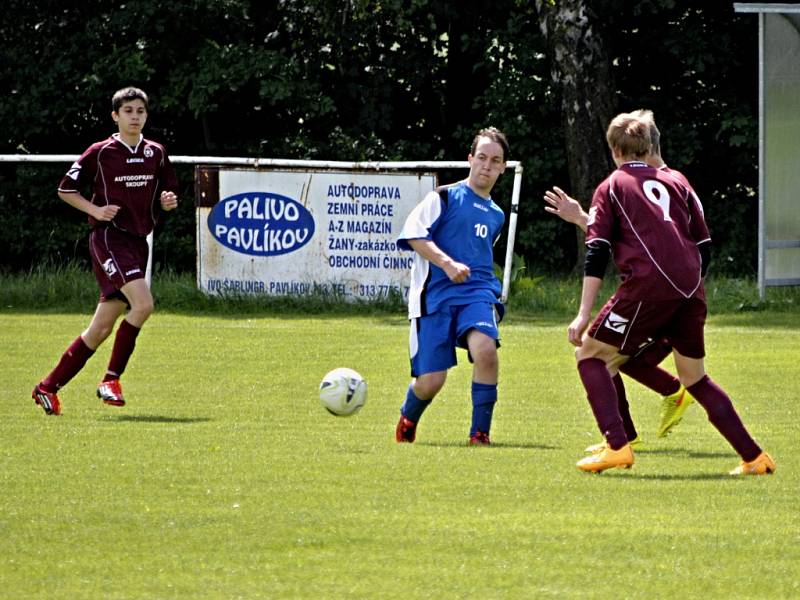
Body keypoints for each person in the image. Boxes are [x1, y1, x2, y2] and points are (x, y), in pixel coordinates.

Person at [568, 110, 775, 475]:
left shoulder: (613, 185)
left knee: (590, 354)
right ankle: (755, 457)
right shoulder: (676, 182)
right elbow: (704, 245)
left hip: (648, 286)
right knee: (694, 377)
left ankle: (618, 446)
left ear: (615, 150)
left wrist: (583, 313)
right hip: (692, 288)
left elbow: (597, 250)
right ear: (648, 146)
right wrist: (685, 292)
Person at [544, 111, 695, 448]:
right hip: (673, 295)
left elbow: (676, 249)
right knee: (611, 357)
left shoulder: (661, 182)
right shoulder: (657, 181)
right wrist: (584, 218)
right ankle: (629, 431)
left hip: (665, 298)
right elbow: (635, 242)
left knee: (597, 354)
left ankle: (629, 433)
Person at [31, 87, 178, 415]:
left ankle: (47, 387)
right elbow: (65, 188)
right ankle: (111, 380)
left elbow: (166, 192)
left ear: (146, 115)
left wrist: (167, 201)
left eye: (140, 111)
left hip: (138, 242)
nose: (135, 116)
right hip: (109, 239)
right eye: (128, 111)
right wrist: (95, 211)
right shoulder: (100, 151)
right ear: (116, 116)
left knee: (99, 329)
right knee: (143, 305)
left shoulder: (156, 152)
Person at [394, 127, 508, 445]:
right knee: (431, 381)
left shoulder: (497, 214)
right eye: (482, 157)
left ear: (502, 167)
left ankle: (480, 434)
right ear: (470, 159)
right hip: (435, 297)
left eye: (495, 160)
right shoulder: (443, 197)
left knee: (486, 351)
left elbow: (481, 257)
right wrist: (447, 264)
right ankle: (408, 418)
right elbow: (414, 234)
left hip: (476, 293)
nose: (487, 165)